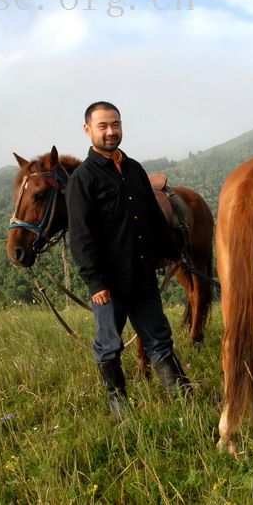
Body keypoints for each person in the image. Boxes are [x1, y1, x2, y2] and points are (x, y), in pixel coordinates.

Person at [66, 101, 190, 419]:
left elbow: (151, 216)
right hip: (109, 283)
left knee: (159, 337)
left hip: (143, 275)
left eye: (115, 124)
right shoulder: (83, 178)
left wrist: (171, 252)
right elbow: (81, 236)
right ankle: (118, 404)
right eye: (103, 126)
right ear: (88, 130)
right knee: (109, 345)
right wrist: (95, 282)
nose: (111, 132)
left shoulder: (133, 168)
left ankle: (182, 397)